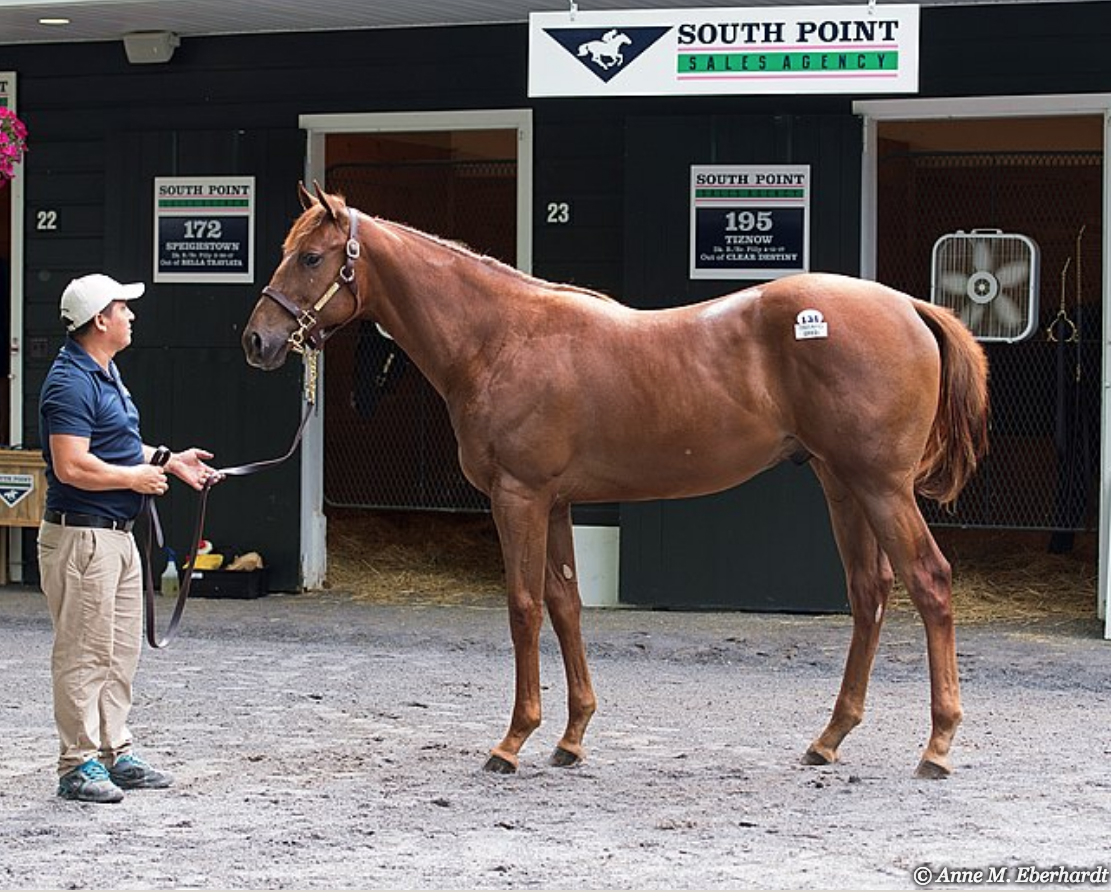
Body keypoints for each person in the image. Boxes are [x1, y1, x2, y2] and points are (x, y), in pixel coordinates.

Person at [38, 273, 222, 804]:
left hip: (114, 537)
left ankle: (114, 751)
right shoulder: (70, 382)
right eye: (123, 307)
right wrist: (134, 480)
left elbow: (115, 446)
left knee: (119, 652)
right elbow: (71, 465)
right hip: (84, 539)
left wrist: (168, 460)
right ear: (100, 320)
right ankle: (77, 764)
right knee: (84, 652)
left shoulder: (104, 373)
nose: (131, 315)